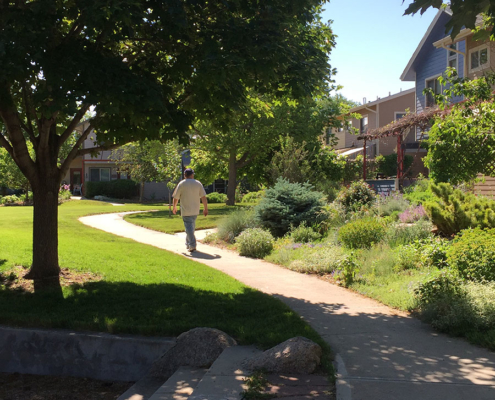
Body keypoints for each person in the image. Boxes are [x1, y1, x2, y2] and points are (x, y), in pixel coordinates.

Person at [172, 168, 208, 252]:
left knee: (189, 228)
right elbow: (203, 197)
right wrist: (205, 208)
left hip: (185, 209)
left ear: (185, 175)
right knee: (190, 228)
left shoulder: (181, 184)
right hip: (195, 209)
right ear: (192, 174)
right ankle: (188, 244)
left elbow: (176, 197)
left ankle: (192, 245)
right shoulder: (198, 183)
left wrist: (174, 206)